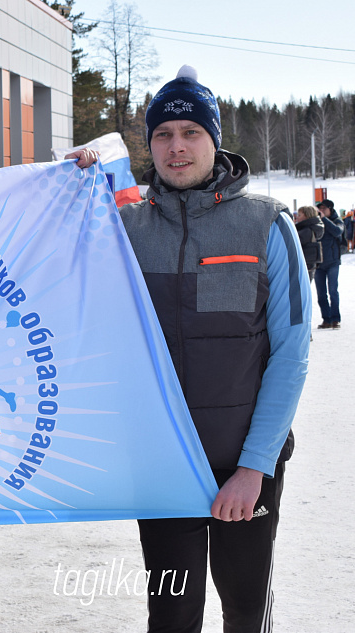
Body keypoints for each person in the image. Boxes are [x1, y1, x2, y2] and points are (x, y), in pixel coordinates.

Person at [103, 66, 309, 633]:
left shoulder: (267, 225)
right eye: (163, 135)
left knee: (244, 611)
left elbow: (292, 355)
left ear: (214, 139)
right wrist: (72, 186)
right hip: (163, 466)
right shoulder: (124, 229)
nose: (176, 147)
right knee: (170, 616)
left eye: (191, 132)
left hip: (244, 467)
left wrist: (253, 468)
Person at [315, 199, 344, 329]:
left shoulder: (337, 221)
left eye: (324, 209)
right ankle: (326, 319)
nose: (321, 211)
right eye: (319, 209)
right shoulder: (317, 222)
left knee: (333, 291)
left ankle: (335, 319)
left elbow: (338, 231)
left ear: (330, 209)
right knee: (321, 293)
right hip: (319, 264)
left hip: (333, 262)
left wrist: (324, 220)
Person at [295, 205, 324, 282]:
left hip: (304, 265)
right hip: (309, 266)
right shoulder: (313, 228)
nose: (297, 217)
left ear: (307, 216)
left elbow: (292, 243)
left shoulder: (306, 231)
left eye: (299, 215)